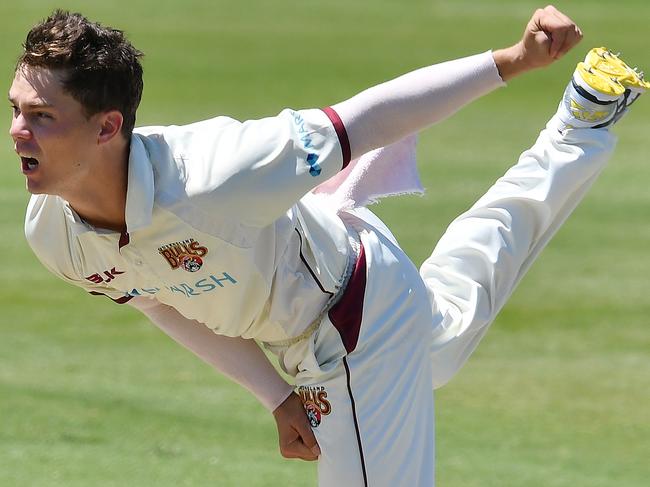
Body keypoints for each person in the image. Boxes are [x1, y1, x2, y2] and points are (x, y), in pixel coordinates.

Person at [9, 6, 648, 486]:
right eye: (15, 109)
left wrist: (513, 60)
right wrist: (277, 396)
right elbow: (158, 298)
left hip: (351, 322)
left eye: (42, 116)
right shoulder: (54, 235)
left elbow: (366, 118)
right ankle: (578, 126)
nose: (18, 131)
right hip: (340, 276)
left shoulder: (216, 171)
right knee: (445, 341)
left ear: (108, 127)